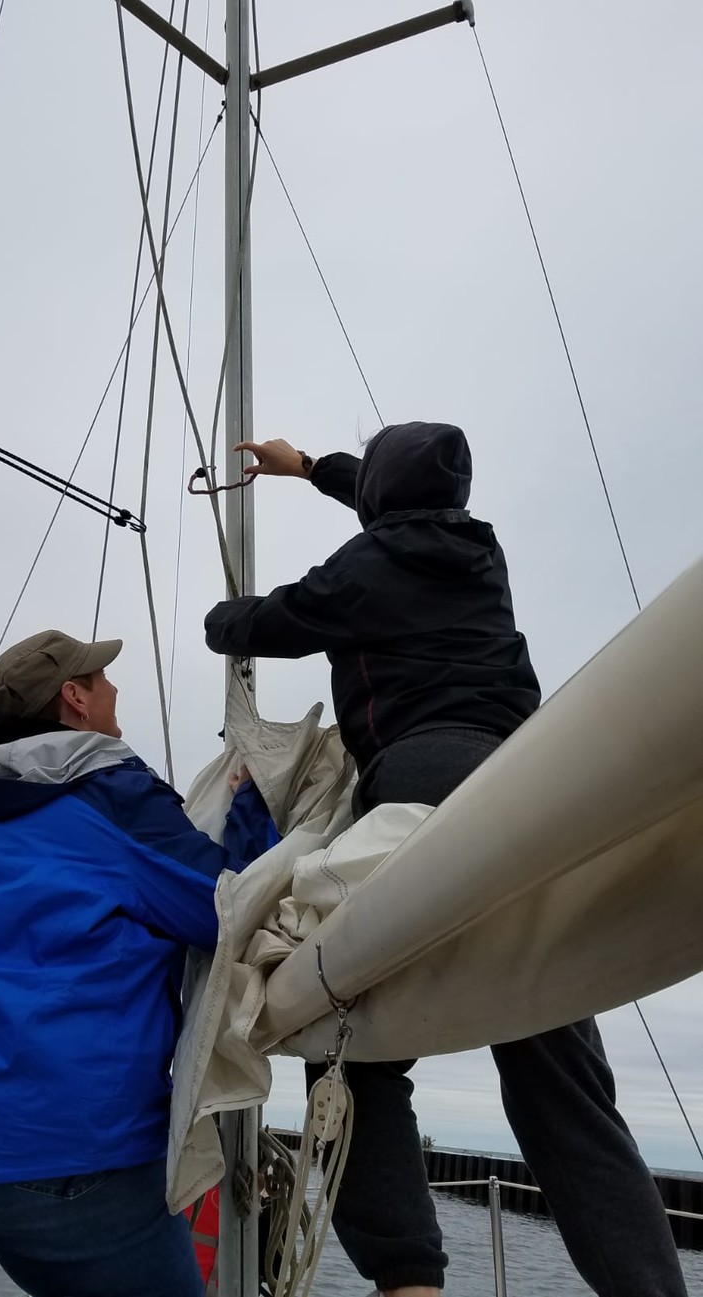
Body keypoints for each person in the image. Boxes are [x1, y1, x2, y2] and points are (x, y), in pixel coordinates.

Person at [204, 424, 688, 1297]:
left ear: (383, 493)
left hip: (418, 791)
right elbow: (389, 500)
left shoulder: (360, 572)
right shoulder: (478, 551)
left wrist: (218, 620)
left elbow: (262, 623)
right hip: (523, 801)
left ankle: (409, 1282)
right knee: (561, 1074)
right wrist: (311, 468)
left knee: (348, 1044)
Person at [0, 629, 275, 1297]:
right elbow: (226, 908)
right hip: (74, 1151)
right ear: (74, 699)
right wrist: (253, 802)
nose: (114, 686)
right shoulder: (110, 794)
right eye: (100, 677)